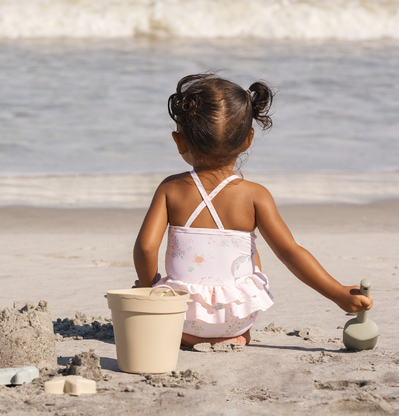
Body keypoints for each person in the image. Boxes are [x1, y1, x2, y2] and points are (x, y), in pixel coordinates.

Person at [133, 73, 373, 348]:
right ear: (248, 140)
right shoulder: (256, 196)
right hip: (237, 317)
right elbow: (290, 252)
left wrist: (148, 290)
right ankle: (234, 333)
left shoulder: (170, 189)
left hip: (182, 317)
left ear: (180, 141)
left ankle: (189, 335)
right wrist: (338, 293)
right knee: (249, 246)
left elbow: (145, 248)